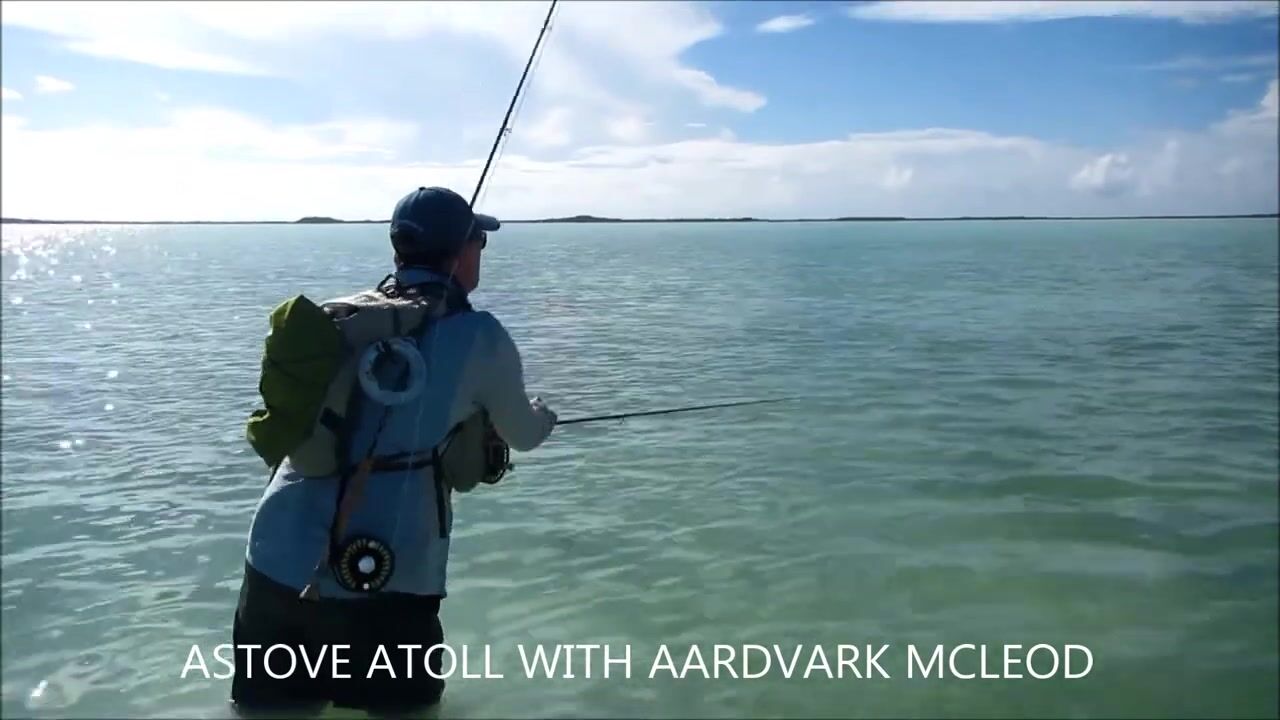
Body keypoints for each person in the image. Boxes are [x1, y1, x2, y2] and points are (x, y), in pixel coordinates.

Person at [230, 186, 557, 717]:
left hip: (276, 563)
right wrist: (544, 414)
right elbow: (523, 433)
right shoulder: (480, 336)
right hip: (388, 578)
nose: (480, 253)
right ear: (462, 251)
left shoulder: (341, 317)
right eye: (480, 242)